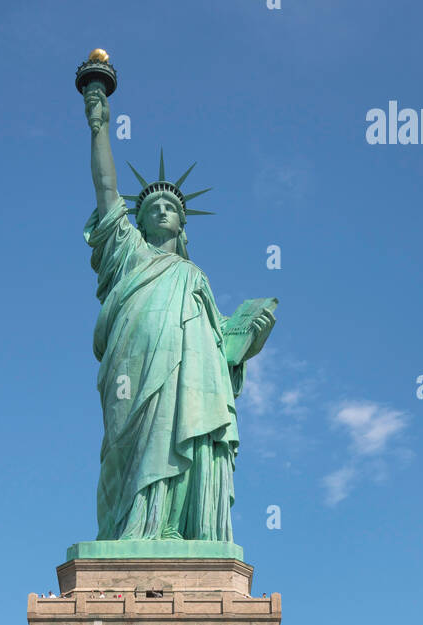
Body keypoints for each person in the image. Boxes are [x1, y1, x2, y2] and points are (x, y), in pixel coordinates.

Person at [82, 82, 276, 542]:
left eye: (171, 206)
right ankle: (137, 528)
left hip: (191, 378)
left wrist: (250, 336)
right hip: (134, 369)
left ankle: (175, 528)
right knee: (132, 446)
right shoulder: (128, 252)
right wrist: (99, 127)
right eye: (153, 206)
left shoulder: (195, 279)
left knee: (187, 432)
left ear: (182, 223)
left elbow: (221, 348)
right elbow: (107, 190)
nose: (163, 211)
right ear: (141, 218)